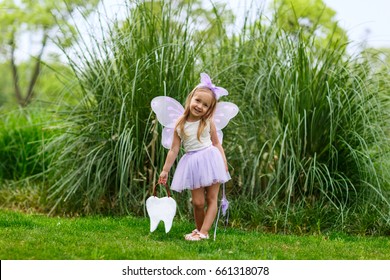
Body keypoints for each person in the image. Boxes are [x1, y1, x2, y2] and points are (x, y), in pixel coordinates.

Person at [158, 75, 231, 241]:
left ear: (209, 110)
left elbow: (216, 143)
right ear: (191, 98)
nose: (200, 106)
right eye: (198, 101)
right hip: (192, 163)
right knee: (197, 202)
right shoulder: (180, 123)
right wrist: (165, 170)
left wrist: (224, 162)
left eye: (205, 105)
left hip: (212, 160)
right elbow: (174, 149)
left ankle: (204, 233)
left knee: (212, 198)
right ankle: (198, 230)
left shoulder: (207, 122)